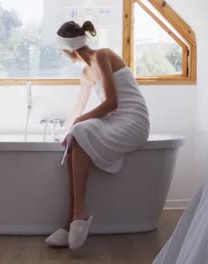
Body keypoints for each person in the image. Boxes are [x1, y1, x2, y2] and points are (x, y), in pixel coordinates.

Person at [45, 21, 150, 250]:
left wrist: (77, 125)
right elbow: (79, 108)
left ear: (69, 49)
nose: (62, 55)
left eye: (62, 51)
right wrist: (67, 129)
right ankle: (73, 218)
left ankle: (76, 216)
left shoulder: (103, 55)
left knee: (80, 130)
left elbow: (111, 103)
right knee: (75, 136)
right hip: (114, 120)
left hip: (133, 121)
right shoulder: (85, 73)